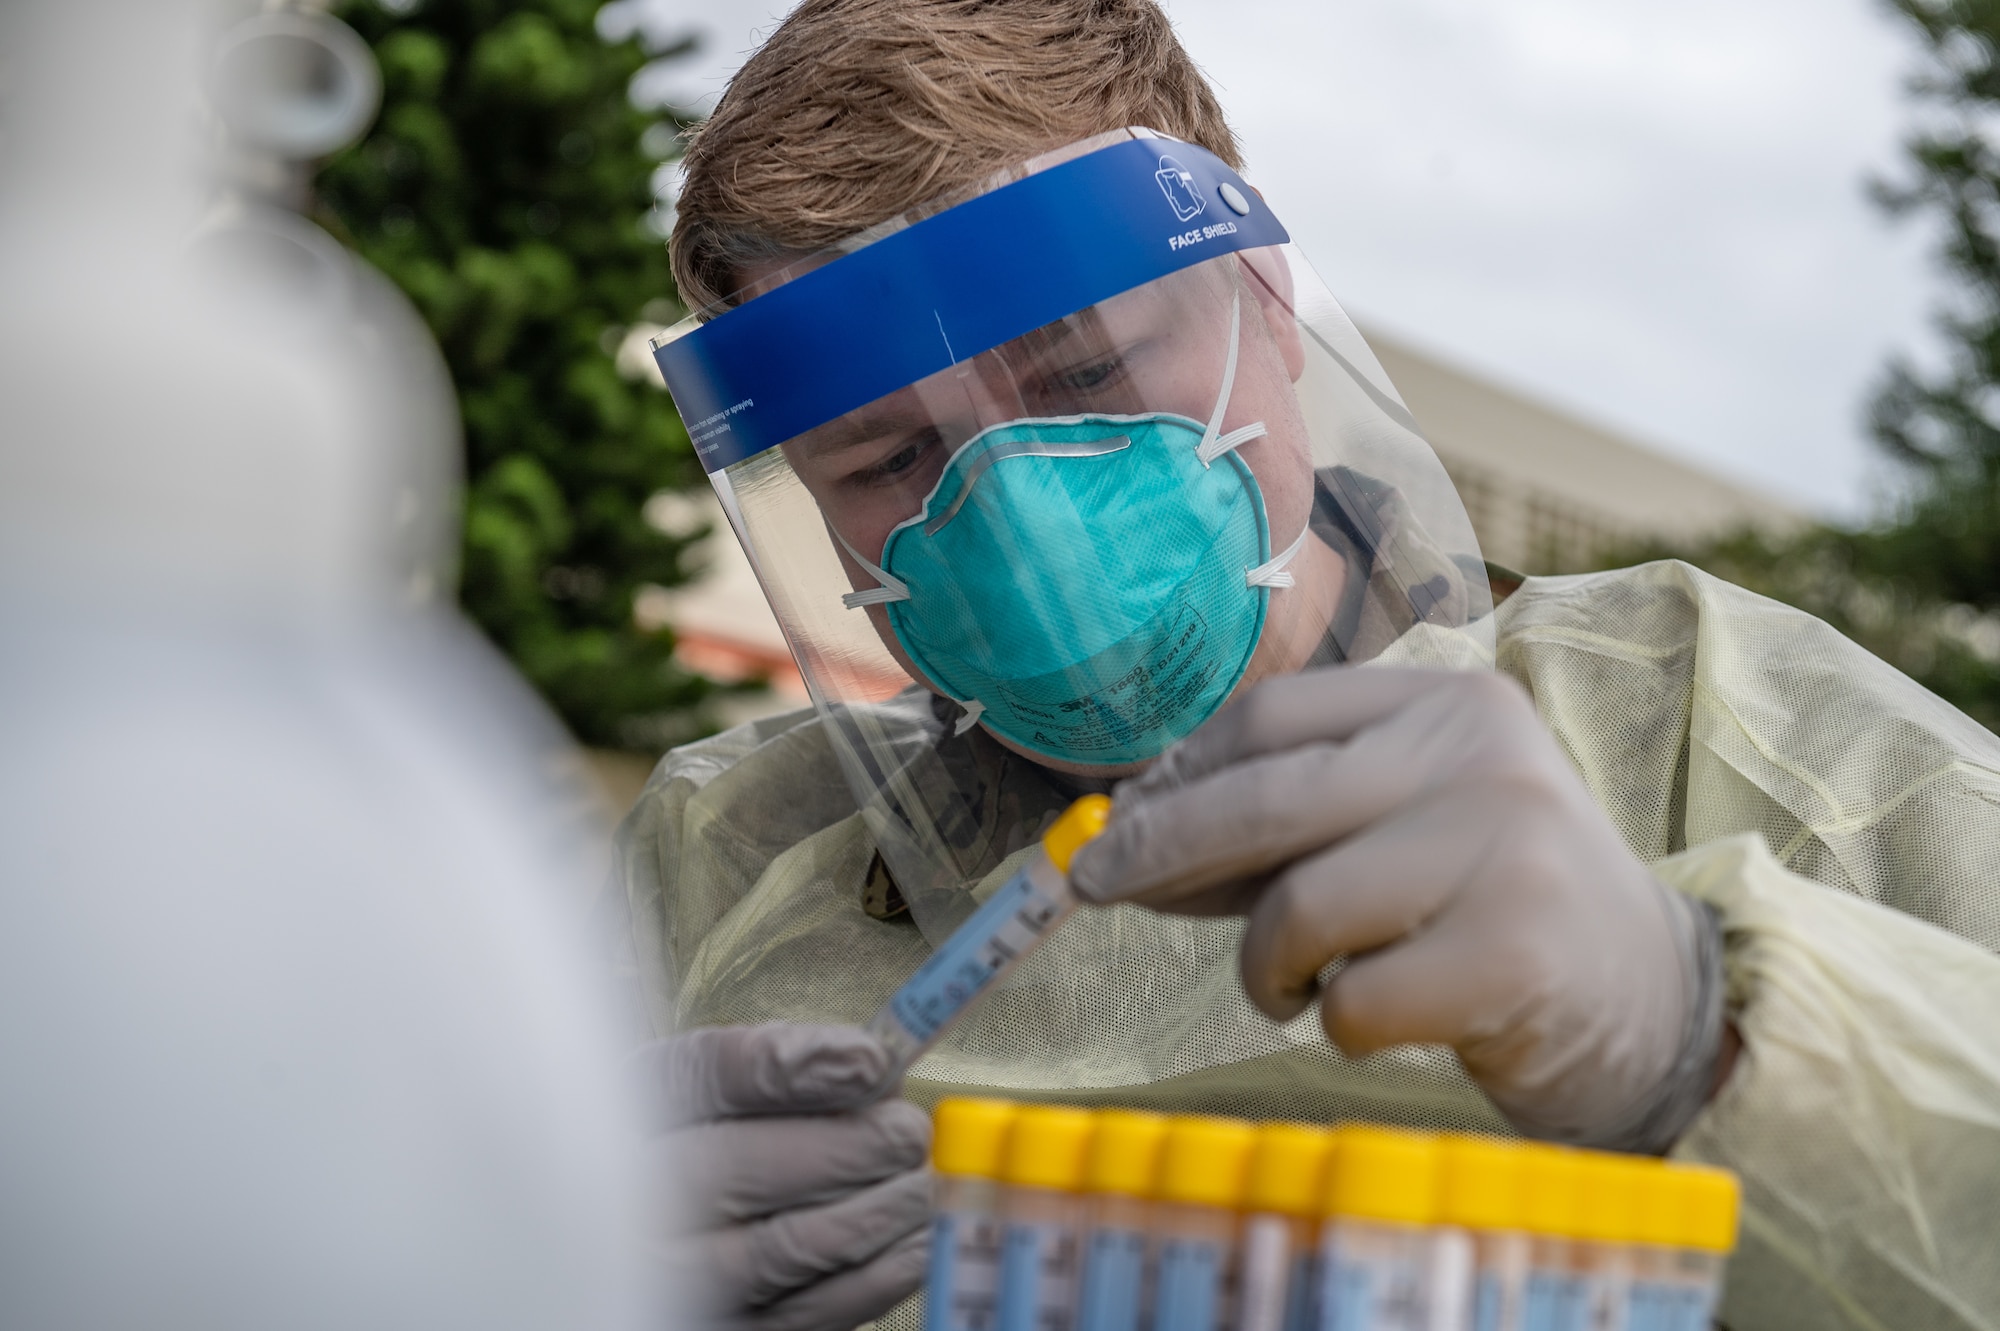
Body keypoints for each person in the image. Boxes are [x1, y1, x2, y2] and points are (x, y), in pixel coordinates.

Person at [613, 3, 2000, 1329]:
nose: (1030, 534)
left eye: (1085, 376)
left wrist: (1708, 1038)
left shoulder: (1744, 745)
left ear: (1267, 306)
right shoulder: (715, 868)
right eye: (891, 459)